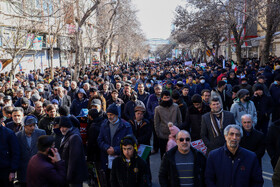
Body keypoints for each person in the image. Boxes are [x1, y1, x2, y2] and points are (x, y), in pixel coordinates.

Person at [97, 103, 132, 186]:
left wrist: (115, 150)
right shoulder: (104, 125)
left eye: (111, 115)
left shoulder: (126, 126)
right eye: (108, 114)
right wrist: (107, 148)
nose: (109, 117)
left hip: (120, 159)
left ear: (116, 115)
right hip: (107, 159)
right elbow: (99, 140)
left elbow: (129, 142)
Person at [16, 115, 46, 186]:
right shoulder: (17, 136)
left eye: (34, 125)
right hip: (23, 170)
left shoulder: (41, 133)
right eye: (30, 126)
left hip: (39, 168)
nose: (33, 128)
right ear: (24, 126)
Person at [59, 116, 88, 187]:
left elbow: (74, 160)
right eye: (61, 127)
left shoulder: (74, 137)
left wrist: (69, 177)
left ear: (69, 126)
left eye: (64, 127)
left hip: (74, 177)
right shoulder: (68, 135)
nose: (62, 129)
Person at [154, 90, 182, 158]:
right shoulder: (158, 109)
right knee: (163, 154)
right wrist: (158, 133)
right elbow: (156, 122)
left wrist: (178, 131)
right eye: (165, 98)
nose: (166, 99)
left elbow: (179, 119)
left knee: (174, 154)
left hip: (175, 134)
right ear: (162, 98)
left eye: (168, 97)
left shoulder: (176, 107)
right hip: (163, 134)